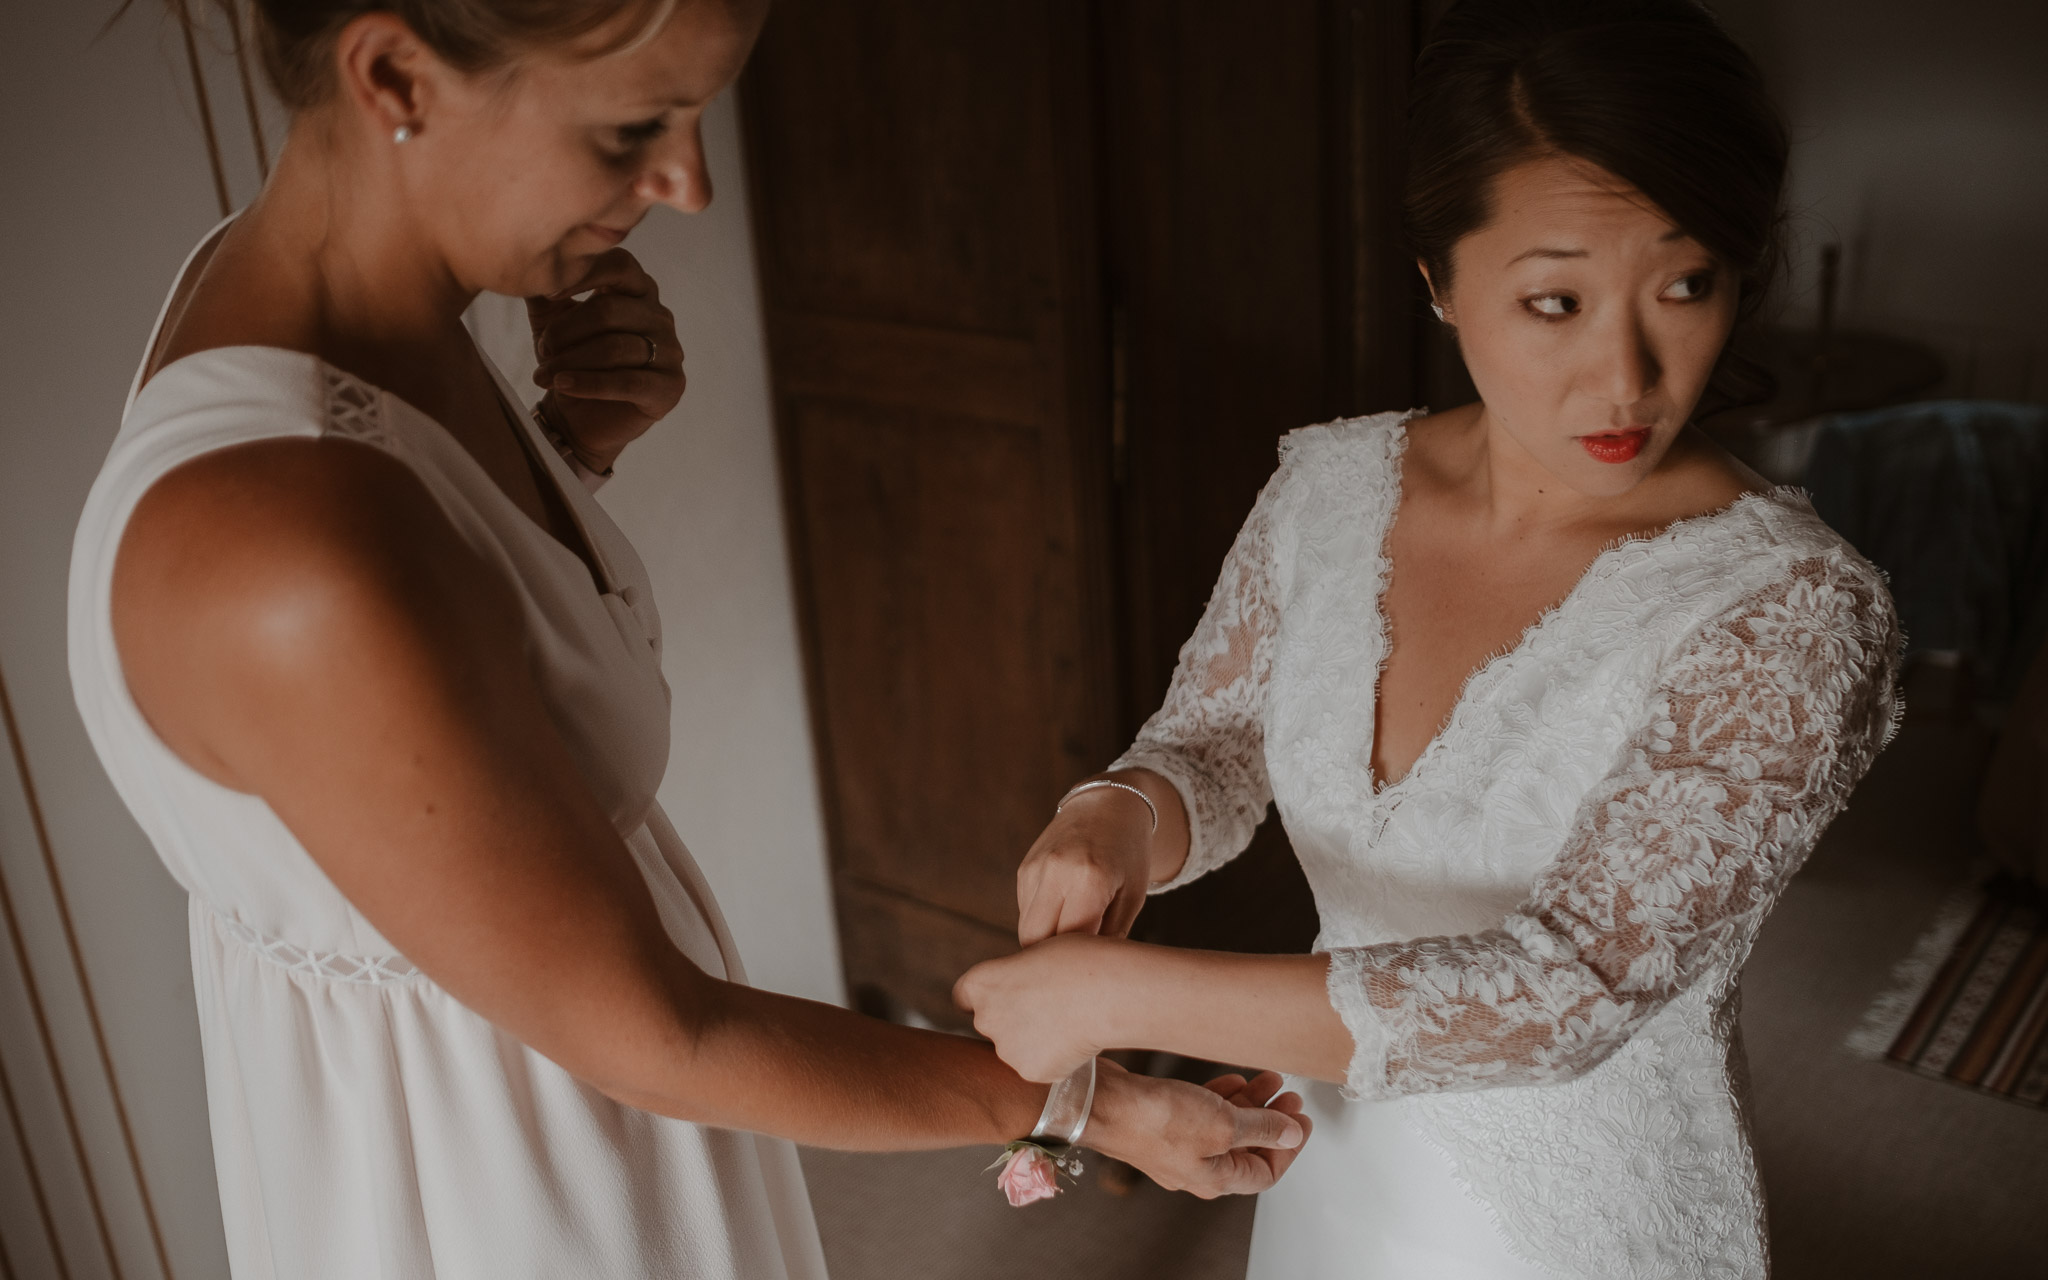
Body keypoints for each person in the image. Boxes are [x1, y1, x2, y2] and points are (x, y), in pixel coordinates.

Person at [69, 2, 1309, 1275]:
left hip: (582, 1094)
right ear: (394, 73)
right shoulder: (289, 550)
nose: (690, 184)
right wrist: (1087, 1105)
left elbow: (453, 665)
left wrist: (567, 452)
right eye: (632, 127)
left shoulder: (326, 306)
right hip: (503, 1177)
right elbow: (663, 1035)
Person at [954, 1, 1901, 1276]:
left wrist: (1120, 996)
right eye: (1554, 300)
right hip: (1337, 1150)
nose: (1623, 376)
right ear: (1438, 284)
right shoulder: (1329, 486)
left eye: (1684, 285)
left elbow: (1571, 986)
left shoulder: (1791, 610)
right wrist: (1114, 810)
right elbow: (1218, 741)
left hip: (1581, 1208)